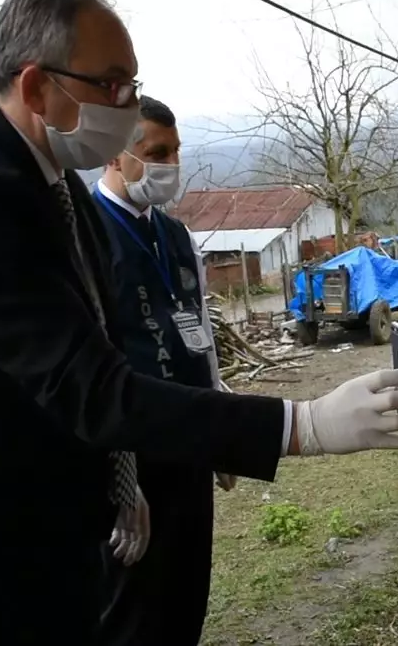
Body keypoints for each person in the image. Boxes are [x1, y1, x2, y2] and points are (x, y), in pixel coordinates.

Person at [0, 0, 398, 645]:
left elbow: (107, 347)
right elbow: (88, 386)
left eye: (133, 84)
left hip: (58, 524)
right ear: (39, 86)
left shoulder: (59, 193)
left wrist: (121, 472)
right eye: (113, 85)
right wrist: (304, 423)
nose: (128, 108)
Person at [88, 96, 227, 644]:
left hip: (189, 440)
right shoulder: (90, 236)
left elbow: (203, 335)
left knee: (187, 591)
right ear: (114, 155)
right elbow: (90, 365)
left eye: (175, 151)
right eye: (155, 152)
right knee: (133, 608)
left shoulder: (175, 236)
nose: (170, 164)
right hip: (132, 455)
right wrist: (121, 480)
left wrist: (220, 426)